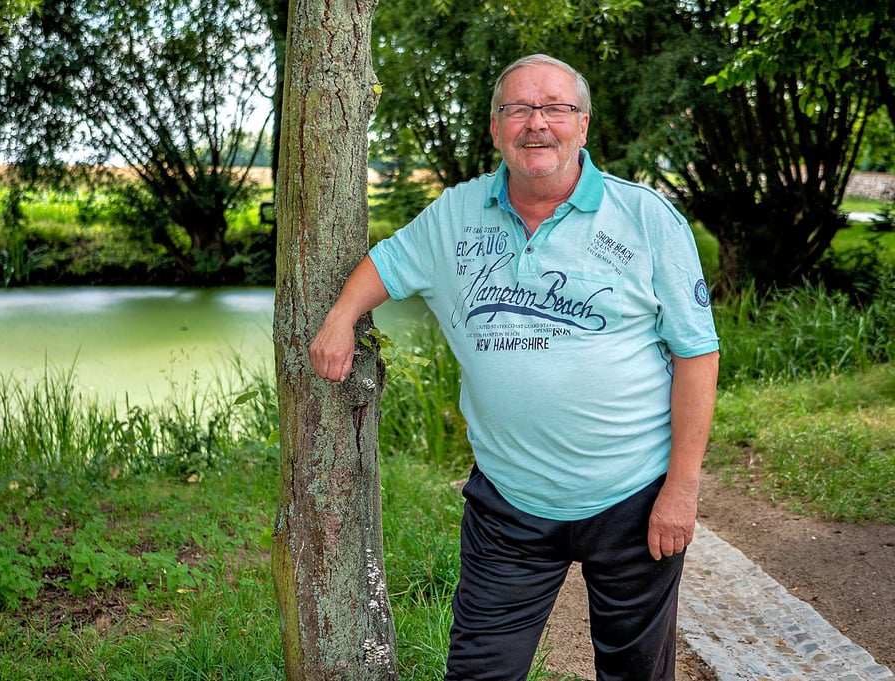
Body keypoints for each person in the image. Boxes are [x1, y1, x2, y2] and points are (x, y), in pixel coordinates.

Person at [309, 54, 720, 681]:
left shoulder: (646, 219)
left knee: (636, 673)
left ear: (583, 124)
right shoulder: (456, 213)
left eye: (555, 108)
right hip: (510, 503)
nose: (537, 123)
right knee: (480, 673)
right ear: (495, 128)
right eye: (518, 109)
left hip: (633, 497)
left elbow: (697, 353)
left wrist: (681, 488)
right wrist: (342, 315)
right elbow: (387, 263)